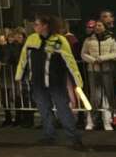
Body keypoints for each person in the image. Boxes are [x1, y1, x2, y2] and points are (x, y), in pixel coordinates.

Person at [15, 15, 85, 149]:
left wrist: (77, 80)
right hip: (38, 82)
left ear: (45, 25)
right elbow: (23, 59)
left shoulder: (60, 40)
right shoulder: (31, 39)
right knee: (44, 110)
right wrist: (19, 76)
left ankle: (74, 138)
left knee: (63, 110)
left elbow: (70, 61)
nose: (34, 26)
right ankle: (49, 136)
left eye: (37, 24)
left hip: (56, 82)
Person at [80, 20, 116, 131]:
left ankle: (108, 121)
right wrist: (93, 60)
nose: (97, 27)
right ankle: (92, 120)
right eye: (96, 25)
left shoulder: (112, 39)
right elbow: (83, 54)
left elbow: (115, 53)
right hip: (93, 70)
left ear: (104, 27)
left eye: (99, 25)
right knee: (95, 97)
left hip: (107, 70)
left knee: (108, 95)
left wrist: (102, 58)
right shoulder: (88, 40)